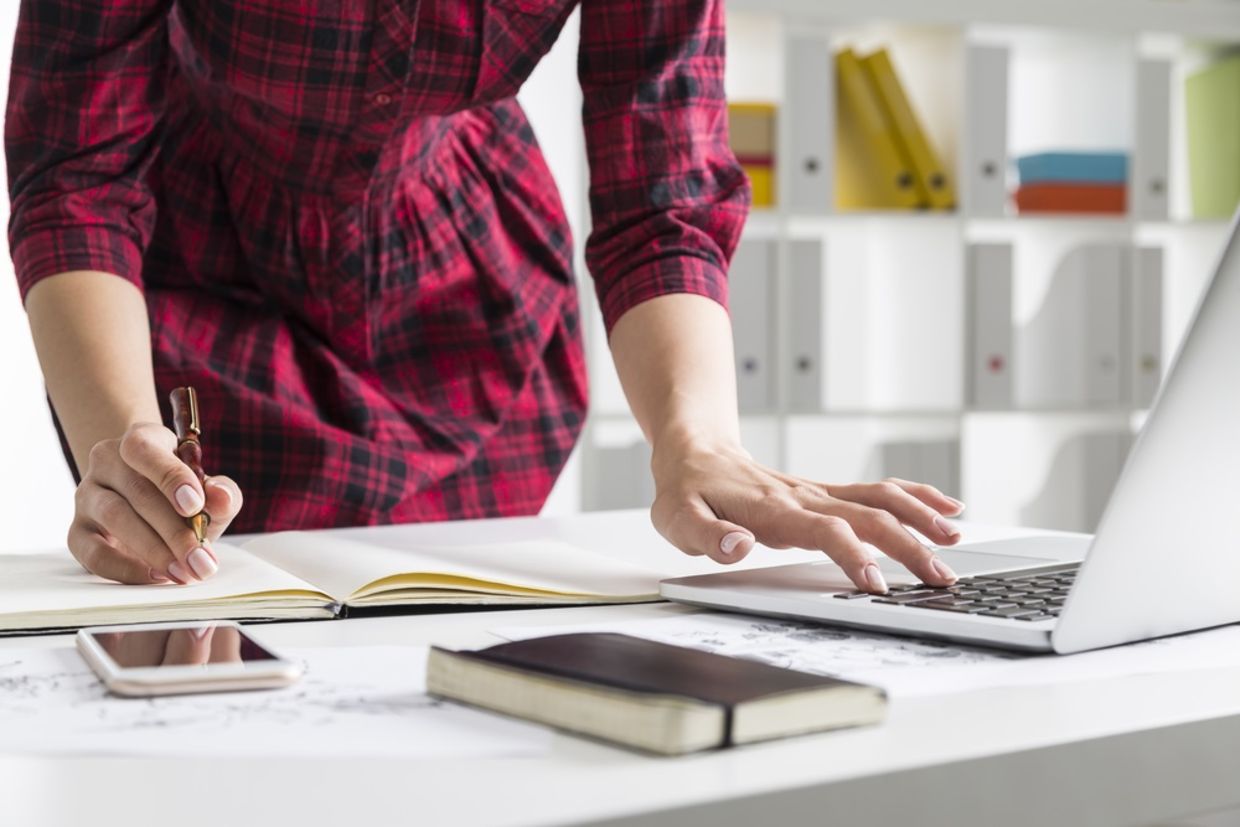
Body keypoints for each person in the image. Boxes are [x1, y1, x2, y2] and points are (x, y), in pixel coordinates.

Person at [6, 0, 964, 594]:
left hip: (469, 310)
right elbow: (76, 173)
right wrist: (117, 447)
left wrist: (698, 440)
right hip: (189, 302)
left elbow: (661, 188)